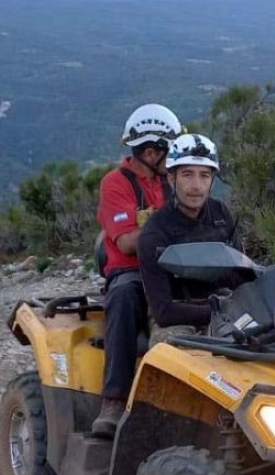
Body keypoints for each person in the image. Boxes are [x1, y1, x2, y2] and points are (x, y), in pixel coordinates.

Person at [91, 103, 182, 438]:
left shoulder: (172, 182)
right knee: (125, 296)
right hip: (131, 271)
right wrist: (171, 225)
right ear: (150, 150)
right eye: (167, 151)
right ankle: (113, 401)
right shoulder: (116, 184)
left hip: (175, 268)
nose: (171, 158)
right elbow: (128, 242)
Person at [138, 133, 244, 342]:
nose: (196, 186)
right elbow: (163, 312)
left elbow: (242, 273)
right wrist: (218, 312)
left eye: (204, 175)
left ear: (212, 181)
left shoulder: (220, 213)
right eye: (187, 174)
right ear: (171, 178)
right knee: (173, 353)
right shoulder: (154, 233)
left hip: (225, 305)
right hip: (177, 317)